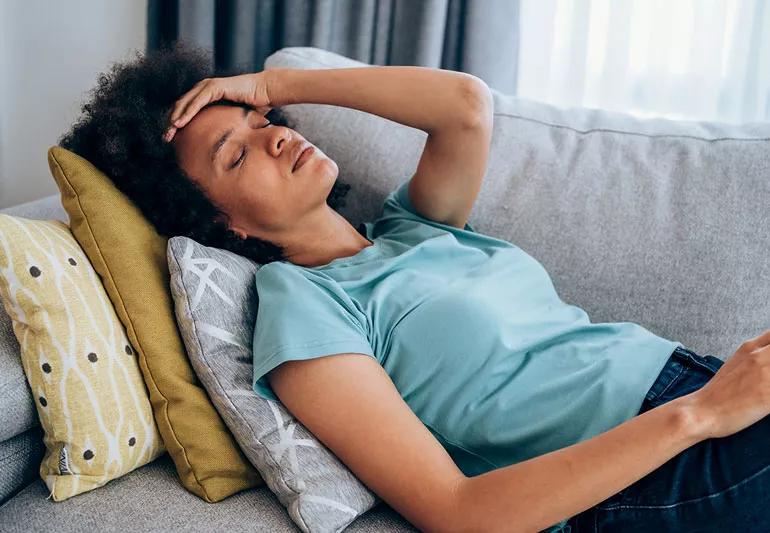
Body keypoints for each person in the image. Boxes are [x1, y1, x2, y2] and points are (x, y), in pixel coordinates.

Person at [60, 40, 770, 532]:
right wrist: (699, 415)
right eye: (238, 153)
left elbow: (464, 105)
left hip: (697, 387)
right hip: (648, 475)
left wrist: (272, 83)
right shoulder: (303, 307)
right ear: (220, 221)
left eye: (263, 120)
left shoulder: (410, 228)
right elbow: (455, 510)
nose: (275, 136)